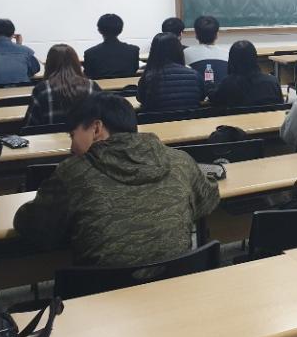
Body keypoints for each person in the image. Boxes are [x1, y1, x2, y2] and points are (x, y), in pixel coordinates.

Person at [13, 93, 219, 267]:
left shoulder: (73, 173)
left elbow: (35, 229)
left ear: (96, 128)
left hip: (102, 294)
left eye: (73, 135)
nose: (72, 147)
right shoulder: (180, 160)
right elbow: (208, 199)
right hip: (175, 283)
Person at [23, 44, 100, 127]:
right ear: (76, 63)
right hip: (87, 134)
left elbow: (31, 126)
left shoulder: (42, 89)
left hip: (50, 135)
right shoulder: (92, 86)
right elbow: (104, 118)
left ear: (49, 64)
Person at [137, 33, 203, 112]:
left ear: (153, 51)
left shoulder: (148, 77)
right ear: (178, 50)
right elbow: (202, 96)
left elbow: (140, 98)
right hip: (191, 119)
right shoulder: (194, 75)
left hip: (158, 119)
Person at [207, 40, 284, 109]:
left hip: (236, 120)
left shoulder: (227, 84)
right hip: (268, 120)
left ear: (232, 60)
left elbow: (215, 100)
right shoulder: (272, 82)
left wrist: (210, 87)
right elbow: (281, 106)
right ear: (255, 58)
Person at [83, 13, 141, 79]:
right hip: (128, 85)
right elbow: (135, 69)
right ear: (121, 30)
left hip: (100, 86)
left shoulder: (89, 53)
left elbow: (88, 75)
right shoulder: (134, 50)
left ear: (99, 30)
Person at [183, 15, 230, 91]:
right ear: (217, 35)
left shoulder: (185, 53)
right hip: (222, 96)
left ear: (196, 35)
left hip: (197, 95)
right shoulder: (227, 54)